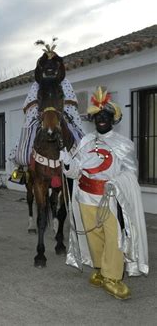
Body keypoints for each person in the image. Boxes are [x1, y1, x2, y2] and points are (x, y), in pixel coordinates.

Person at [60, 86, 148, 300]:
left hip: (109, 199)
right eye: (98, 116)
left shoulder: (124, 145)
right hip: (85, 196)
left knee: (113, 238)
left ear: (113, 119)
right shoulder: (85, 142)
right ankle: (99, 269)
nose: (101, 119)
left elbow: (131, 173)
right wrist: (67, 164)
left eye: (105, 116)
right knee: (93, 236)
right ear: (93, 119)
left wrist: (116, 183)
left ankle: (112, 277)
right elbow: (76, 171)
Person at [9, 43, 84, 172]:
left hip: (61, 115)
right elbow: (32, 105)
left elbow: (70, 106)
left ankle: (83, 162)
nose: (50, 69)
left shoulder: (65, 83)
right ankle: (22, 165)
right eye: (47, 66)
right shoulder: (36, 86)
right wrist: (37, 115)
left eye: (52, 66)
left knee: (77, 133)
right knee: (29, 132)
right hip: (41, 116)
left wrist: (65, 115)